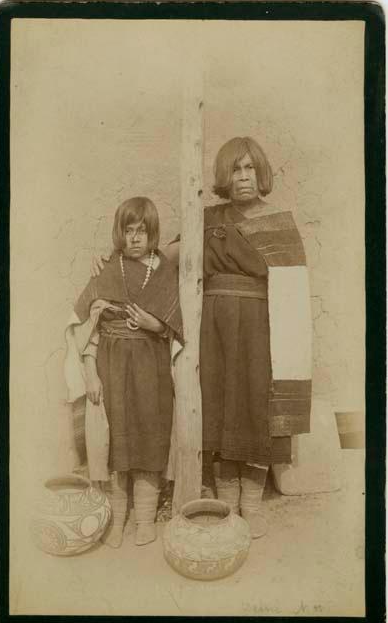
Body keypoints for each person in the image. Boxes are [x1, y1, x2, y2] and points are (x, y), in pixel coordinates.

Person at [92, 137, 312, 540]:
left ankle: (252, 502)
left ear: (260, 174)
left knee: (255, 404)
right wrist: (113, 262)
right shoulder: (206, 219)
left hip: (261, 328)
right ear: (223, 177)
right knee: (219, 404)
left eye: (249, 169)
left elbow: (294, 293)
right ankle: (227, 499)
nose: (242, 177)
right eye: (234, 169)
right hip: (211, 327)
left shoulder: (280, 224)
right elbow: (161, 257)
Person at [65, 197, 183, 548]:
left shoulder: (163, 270)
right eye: (128, 231)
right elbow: (86, 327)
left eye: (142, 232)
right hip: (111, 367)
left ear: (152, 234)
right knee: (114, 440)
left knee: (149, 435)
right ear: (119, 233)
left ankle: (145, 518)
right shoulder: (107, 268)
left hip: (152, 369)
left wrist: (156, 325)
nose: (134, 238)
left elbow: (178, 328)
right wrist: (90, 371)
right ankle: (117, 518)